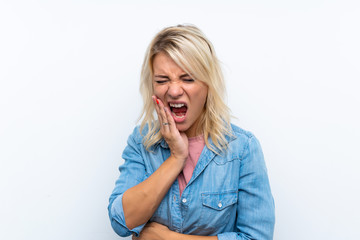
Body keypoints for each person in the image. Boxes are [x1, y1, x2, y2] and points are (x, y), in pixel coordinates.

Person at [108, 24, 275, 240]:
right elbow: (122, 222)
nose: (174, 91)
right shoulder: (142, 142)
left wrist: (167, 238)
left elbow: (257, 237)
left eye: (187, 79)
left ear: (208, 85)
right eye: (162, 80)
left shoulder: (242, 148)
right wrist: (176, 158)